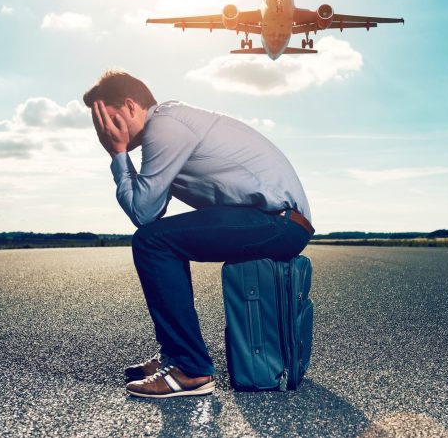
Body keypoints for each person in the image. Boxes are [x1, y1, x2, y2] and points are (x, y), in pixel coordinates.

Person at [83, 70, 314, 398]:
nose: (104, 129)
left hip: (279, 222)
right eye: (99, 124)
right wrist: (122, 155)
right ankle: (175, 357)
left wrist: (118, 155)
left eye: (108, 118)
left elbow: (143, 214)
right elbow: (151, 208)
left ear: (131, 106)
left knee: (152, 243)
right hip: (274, 220)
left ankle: (190, 370)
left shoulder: (165, 125)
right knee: (157, 238)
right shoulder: (167, 127)